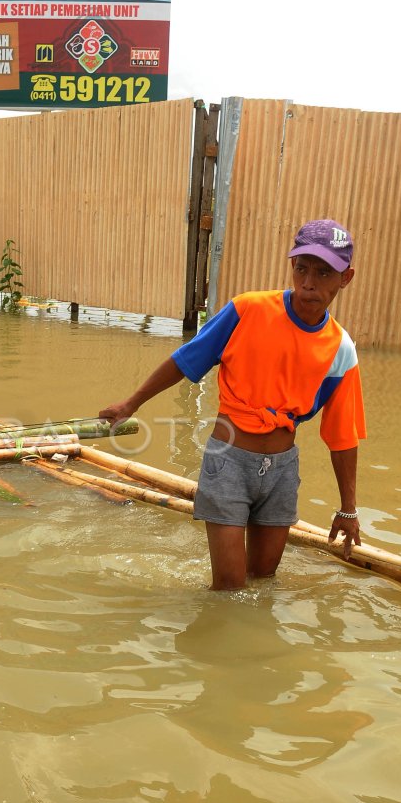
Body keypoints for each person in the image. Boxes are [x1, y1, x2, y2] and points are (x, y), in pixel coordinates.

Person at [99, 220, 366, 591]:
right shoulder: (248, 310)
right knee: (228, 586)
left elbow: (343, 435)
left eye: (324, 273)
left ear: (345, 278)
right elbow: (187, 359)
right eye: (301, 268)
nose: (309, 282)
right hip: (229, 460)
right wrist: (132, 403)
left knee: (263, 581)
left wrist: (348, 509)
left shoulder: (341, 348)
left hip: (282, 471)